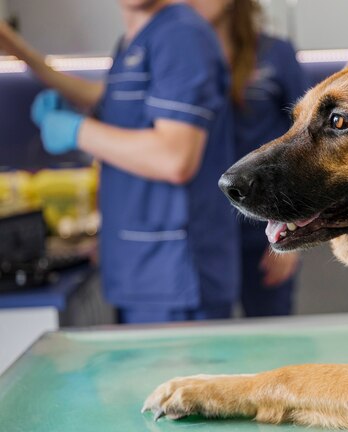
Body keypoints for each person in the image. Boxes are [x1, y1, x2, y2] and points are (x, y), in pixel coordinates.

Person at [0, 0, 240, 323]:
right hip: (143, 271)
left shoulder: (181, 36)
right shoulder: (135, 39)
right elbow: (106, 97)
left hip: (172, 275)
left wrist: (77, 130)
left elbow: (176, 157)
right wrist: (20, 52)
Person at [186, 0, 307, 317]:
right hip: (202, 229)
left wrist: (293, 231)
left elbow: (307, 139)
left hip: (265, 222)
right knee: (210, 346)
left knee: (270, 337)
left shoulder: (274, 53)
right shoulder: (179, 57)